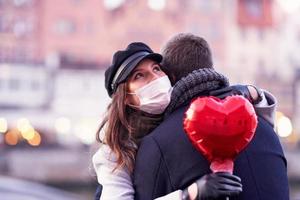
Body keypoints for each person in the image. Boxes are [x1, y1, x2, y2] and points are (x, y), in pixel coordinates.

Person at [93, 41, 278, 200]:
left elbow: (263, 124)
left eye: (156, 69)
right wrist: (189, 193)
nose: (155, 79)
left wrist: (252, 93)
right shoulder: (114, 149)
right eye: (139, 76)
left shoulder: (179, 106)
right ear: (125, 96)